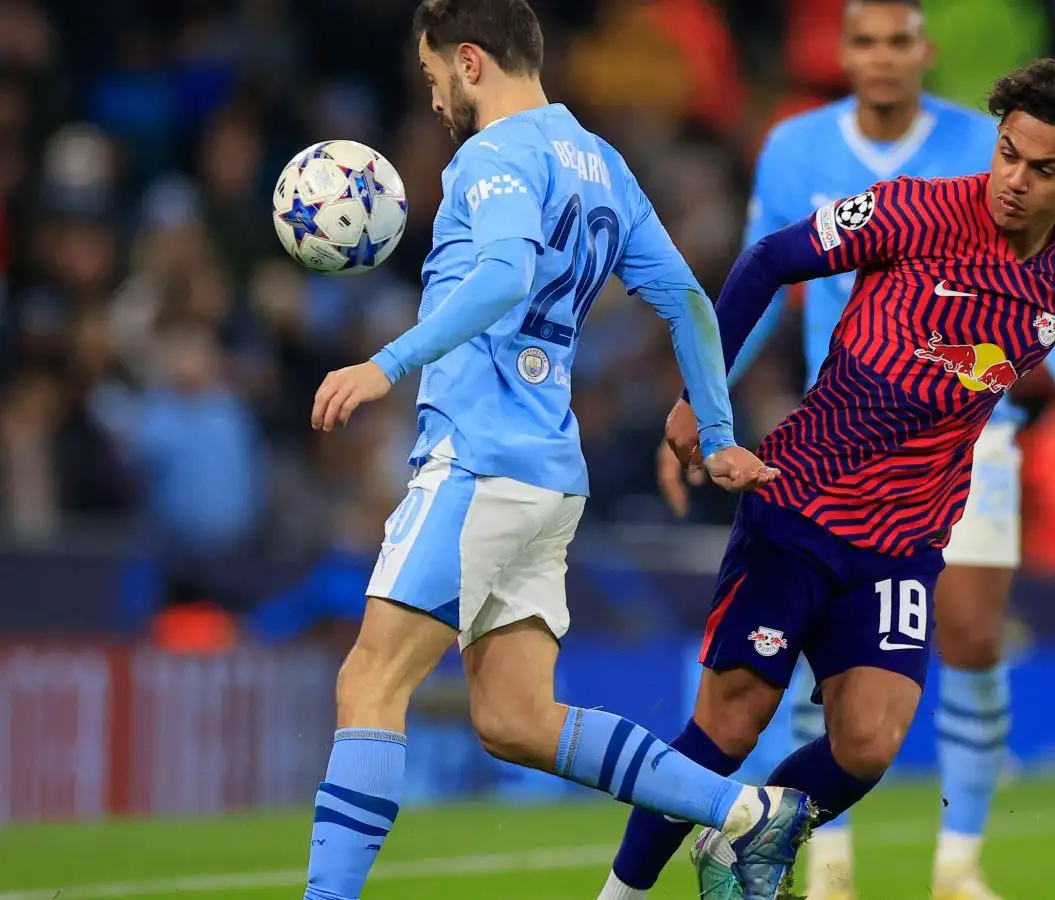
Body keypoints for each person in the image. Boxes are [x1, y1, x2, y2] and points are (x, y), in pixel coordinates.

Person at [297, 2, 812, 899]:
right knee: (517, 719)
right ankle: (745, 814)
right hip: (548, 480)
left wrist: (387, 364)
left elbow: (502, 271)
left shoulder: (491, 158)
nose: (430, 99)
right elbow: (691, 299)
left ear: (469, 61)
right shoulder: (605, 165)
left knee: (370, 681)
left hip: (477, 462)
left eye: (430, 77)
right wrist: (720, 433)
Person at [599, 57, 1055, 900]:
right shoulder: (911, 207)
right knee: (732, 718)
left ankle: (744, 840)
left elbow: (969, 386)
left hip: (904, 543)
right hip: (799, 502)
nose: (1015, 181)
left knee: (869, 745)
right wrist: (704, 395)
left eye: (1044, 169)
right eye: (1008, 154)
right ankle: (619, 896)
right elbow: (769, 259)